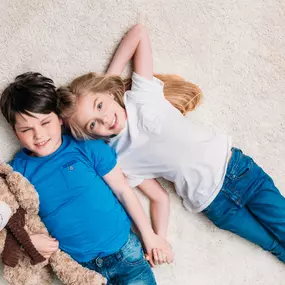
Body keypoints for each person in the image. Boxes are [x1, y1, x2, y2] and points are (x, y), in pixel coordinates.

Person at [58, 24, 285, 264]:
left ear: (106, 94)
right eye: (92, 125)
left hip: (239, 171)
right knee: (273, 246)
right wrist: (158, 239)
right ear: (89, 135)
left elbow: (139, 33)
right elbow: (159, 198)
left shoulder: (140, 97)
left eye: (99, 106)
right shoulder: (120, 159)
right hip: (214, 204)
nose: (103, 119)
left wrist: (107, 80)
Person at [0, 72, 172, 285]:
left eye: (45, 123)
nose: (39, 135)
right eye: (26, 129)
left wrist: (149, 235)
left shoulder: (86, 146)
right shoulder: (16, 173)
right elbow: (9, 219)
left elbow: (123, 191)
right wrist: (27, 242)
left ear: (60, 118)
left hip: (125, 251)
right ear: (15, 132)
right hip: (81, 270)